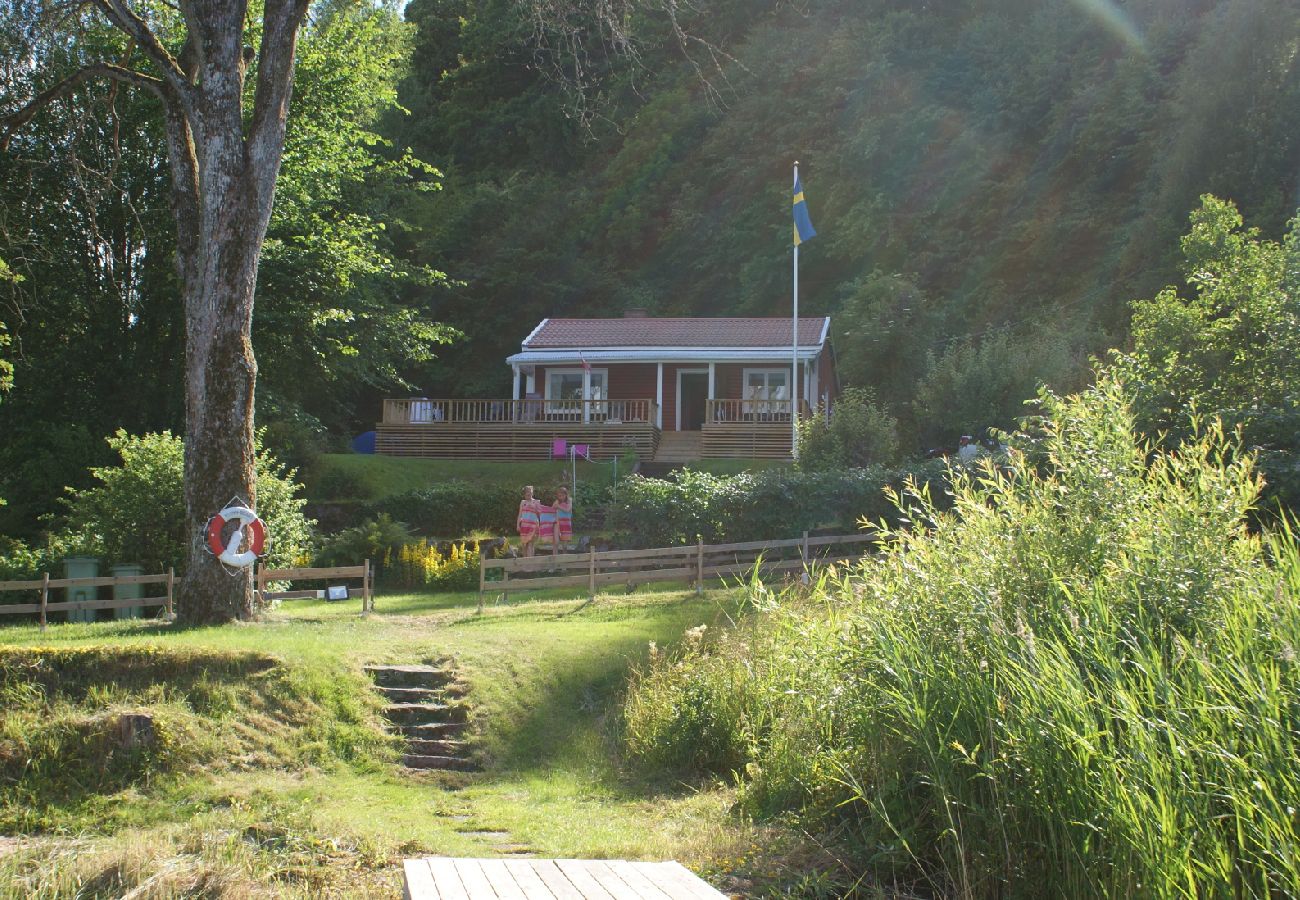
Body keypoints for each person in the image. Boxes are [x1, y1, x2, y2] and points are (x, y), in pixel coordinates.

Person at [517, 485, 541, 557]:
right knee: (524, 544)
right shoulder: (522, 502)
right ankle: (525, 563)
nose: (528, 494)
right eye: (527, 492)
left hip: (533, 526)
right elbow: (520, 514)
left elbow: (540, 515)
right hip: (524, 526)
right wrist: (518, 525)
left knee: (530, 543)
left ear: (532, 493)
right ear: (524, 493)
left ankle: (530, 565)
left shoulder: (537, 502)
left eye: (530, 492)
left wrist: (535, 509)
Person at [552, 486, 573, 551]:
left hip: (566, 524)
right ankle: (556, 557)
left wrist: (558, 506)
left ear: (566, 495)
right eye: (559, 496)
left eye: (562, 495)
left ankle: (565, 557)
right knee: (556, 542)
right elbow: (551, 509)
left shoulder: (569, 500)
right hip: (558, 524)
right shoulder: (557, 501)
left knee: (565, 545)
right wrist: (555, 506)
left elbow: (567, 509)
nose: (561, 497)